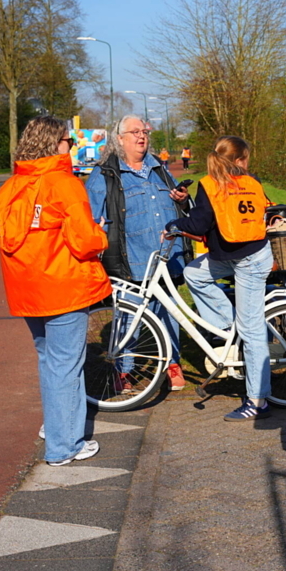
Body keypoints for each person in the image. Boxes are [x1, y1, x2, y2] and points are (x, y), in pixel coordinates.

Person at [0, 116, 111, 466]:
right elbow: (86, 240)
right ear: (54, 143)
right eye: (67, 141)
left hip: (27, 290)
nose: (71, 147)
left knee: (51, 363)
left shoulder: (11, 187)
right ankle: (63, 446)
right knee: (66, 366)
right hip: (63, 287)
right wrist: (100, 233)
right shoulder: (64, 184)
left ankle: (60, 430)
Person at [165, 136, 276, 421]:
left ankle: (257, 400)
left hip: (246, 260)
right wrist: (189, 206)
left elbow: (201, 222)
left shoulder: (209, 183)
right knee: (194, 273)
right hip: (238, 255)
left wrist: (175, 224)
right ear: (239, 160)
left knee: (252, 331)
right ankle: (227, 326)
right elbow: (212, 215)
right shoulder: (252, 181)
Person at [86, 115, 190, 391]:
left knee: (169, 315)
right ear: (119, 139)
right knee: (128, 318)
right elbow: (89, 220)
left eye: (144, 131)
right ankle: (124, 370)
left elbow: (180, 204)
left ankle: (172, 364)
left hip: (167, 259)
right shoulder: (105, 175)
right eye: (134, 132)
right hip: (130, 261)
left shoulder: (159, 169)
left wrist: (182, 199)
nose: (142, 136)